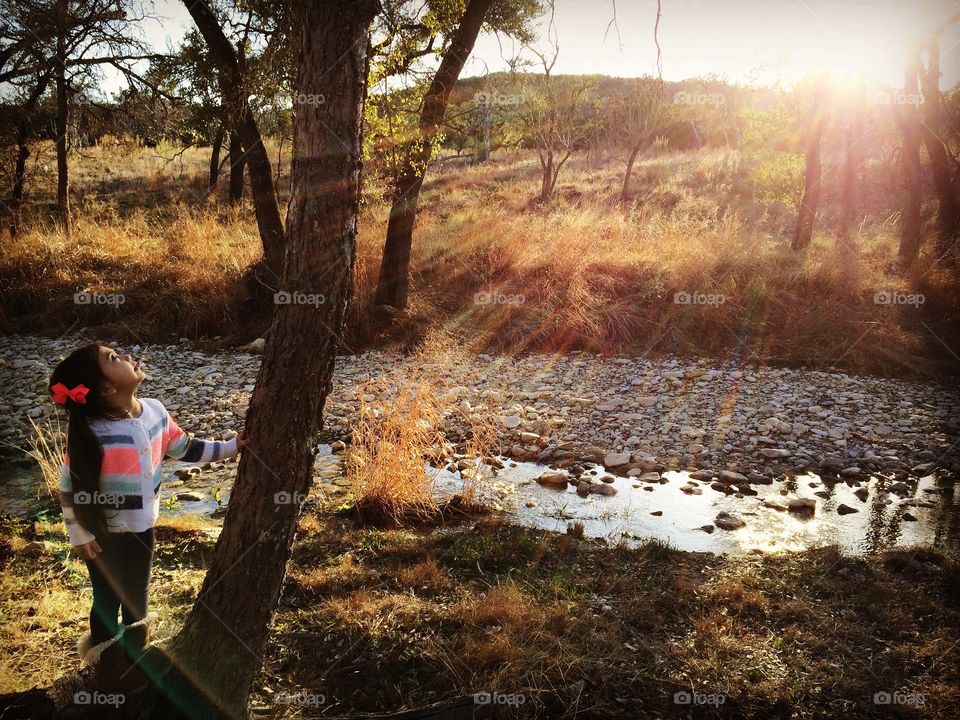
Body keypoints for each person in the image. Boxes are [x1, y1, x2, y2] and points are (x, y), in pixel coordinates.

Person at [48, 343, 251, 694]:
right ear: (106, 388)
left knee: (137, 594)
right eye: (113, 358)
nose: (126, 356)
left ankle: (134, 657)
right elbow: (69, 487)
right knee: (107, 599)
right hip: (102, 534)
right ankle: (107, 669)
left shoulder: (155, 412)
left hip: (143, 527)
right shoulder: (91, 430)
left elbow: (186, 447)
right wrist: (78, 533)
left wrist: (231, 447)